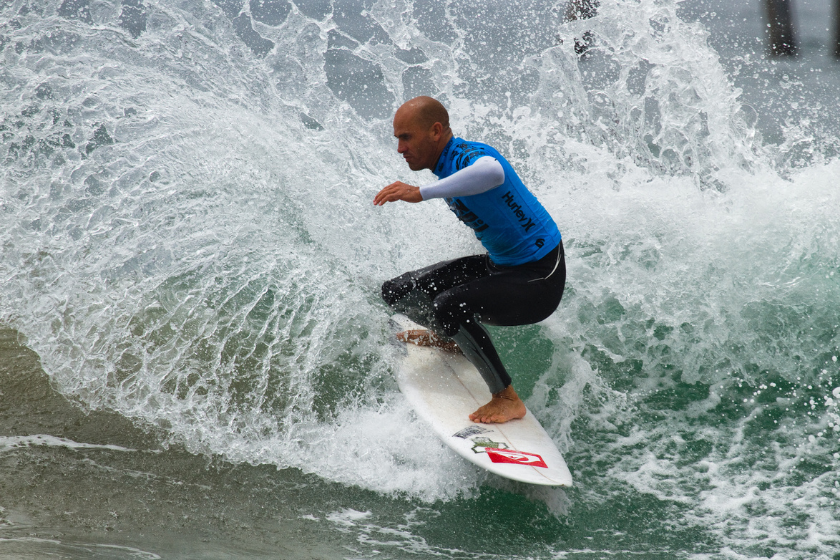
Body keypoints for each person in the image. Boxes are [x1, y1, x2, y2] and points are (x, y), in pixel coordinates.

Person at [373, 96, 566, 424]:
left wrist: (420, 193)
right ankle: (452, 338)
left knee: (449, 304)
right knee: (397, 291)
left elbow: (492, 172)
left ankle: (506, 398)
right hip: (500, 267)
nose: (400, 148)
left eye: (406, 137)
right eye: (398, 139)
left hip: (539, 277)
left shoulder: (467, 156)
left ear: (436, 131)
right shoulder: (446, 165)